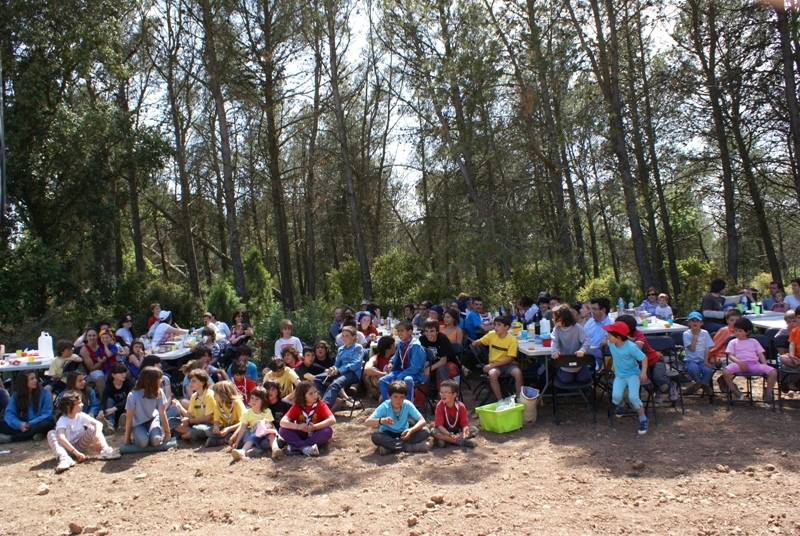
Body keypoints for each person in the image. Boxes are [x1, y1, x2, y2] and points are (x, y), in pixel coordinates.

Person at [47, 391, 120, 473]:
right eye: (79, 403)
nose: (82, 405)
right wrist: (76, 453)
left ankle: (105, 451)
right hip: (67, 448)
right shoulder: (63, 420)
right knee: (51, 433)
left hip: (80, 444)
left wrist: (96, 436)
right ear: (69, 407)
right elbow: (61, 438)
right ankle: (64, 459)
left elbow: (98, 423)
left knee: (93, 428)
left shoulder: (80, 415)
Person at [617, 315, 677, 404]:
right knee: (643, 381)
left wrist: (627, 339)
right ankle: (657, 389)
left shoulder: (638, 334)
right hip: (639, 365)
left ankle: (670, 386)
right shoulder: (617, 337)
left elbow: (638, 347)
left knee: (659, 378)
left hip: (655, 360)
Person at [603, 321, 649, 435]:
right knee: (616, 396)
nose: (607, 336)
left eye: (609, 334)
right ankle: (622, 404)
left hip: (633, 374)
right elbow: (604, 341)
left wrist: (643, 372)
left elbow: (644, 358)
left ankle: (643, 419)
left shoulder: (631, 347)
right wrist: (604, 340)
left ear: (618, 337)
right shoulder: (611, 343)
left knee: (633, 397)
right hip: (620, 375)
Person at [721, 317, 778, 407]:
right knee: (726, 371)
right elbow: (730, 355)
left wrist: (765, 366)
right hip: (739, 364)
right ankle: (733, 389)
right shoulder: (733, 342)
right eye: (735, 330)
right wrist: (738, 362)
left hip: (754, 364)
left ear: (747, 332)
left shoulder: (753, 341)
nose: (737, 333)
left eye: (740, 331)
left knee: (773, 372)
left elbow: (760, 354)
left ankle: (768, 393)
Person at [365, 380, 432, 455]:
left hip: (404, 433)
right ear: (389, 396)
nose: (398, 400)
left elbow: (422, 421)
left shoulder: (407, 404)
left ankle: (390, 448)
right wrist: (382, 420)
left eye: (401, 397)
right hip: (388, 434)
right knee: (375, 436)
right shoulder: (385, 406)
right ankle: (408, 447)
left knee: (425, 431)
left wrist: (411, 431)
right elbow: (367, 422)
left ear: (405, 397)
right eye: (395, 397)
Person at [471, 315, 523, 401]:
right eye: (495, 324)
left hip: (509, 365)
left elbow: (509, 359)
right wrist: (475, 342)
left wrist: (491, 365)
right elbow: (480, 341)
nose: (495, 327)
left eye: (499, 325)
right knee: (492, 374)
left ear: (506, 327)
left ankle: (519, 398)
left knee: (518, 373)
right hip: (495, 366)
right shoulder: (491, 335)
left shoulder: (512, 340)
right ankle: (500, 400)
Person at [279, 381, 335, 456]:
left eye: (315, 392)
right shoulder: (297, 406)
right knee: (282, 430)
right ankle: (305, 448)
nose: (315, 395)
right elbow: (282, 422)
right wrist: (298, 427)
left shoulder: (320, 404)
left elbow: (332, 420)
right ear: (303, 395)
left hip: (315, 433)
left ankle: (297, 447)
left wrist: (315, 427)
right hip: (302, 432)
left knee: (327, 431)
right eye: (311, 393)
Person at [314, 326, 363, 412]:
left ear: (354, 337)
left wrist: (339, 370)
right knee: (317, 379)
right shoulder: (341, 349)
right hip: (340, 372)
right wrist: (333, 368)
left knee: (335, 383)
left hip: (353, 373)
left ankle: (324, 410)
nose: (344, 338)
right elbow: (337, 364)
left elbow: (356, 364)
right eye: (343, 336)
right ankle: (328, 401)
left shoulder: (358, 347)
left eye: (347, 336)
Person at [379, 320, 428, 402]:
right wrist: (391, 362)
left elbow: (415, 368)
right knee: (383, 380)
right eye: (398, 331)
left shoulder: (415, 346)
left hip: (414, 374)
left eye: (402, 331)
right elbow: (396, 356)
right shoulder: (401, 343)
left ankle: (407, 406)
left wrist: (401, 376)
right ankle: (388, 405)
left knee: (407, 379)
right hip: (401, 371)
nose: (399, 333)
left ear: (409, 332)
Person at [123, 366, 171, 449]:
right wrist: (127, 437)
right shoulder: (133, 395)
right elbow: (129, 417)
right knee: (143, 442)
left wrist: (167, 433)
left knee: (156, 441)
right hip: (138, 423)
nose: (161, 381)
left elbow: (162, 413)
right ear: (150, 381)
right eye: (159, 379)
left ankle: (151, 434)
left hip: (152, 419)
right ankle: (138, 435)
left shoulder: (159, 392)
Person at [0, 372, 55, 443]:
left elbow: (47, 413)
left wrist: (30, 424)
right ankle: (35, 433)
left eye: (35, 378)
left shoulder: (44, 393)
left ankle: (12, 438)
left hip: (38, 422)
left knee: (46, 424)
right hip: (23, 425)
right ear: (24, 382)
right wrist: (19, 424)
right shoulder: (16, 396)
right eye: (32, 379)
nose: (36, 380)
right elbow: (9, 414)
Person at [231, 387, 281, 460]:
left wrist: (267, 424)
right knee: (251, 435)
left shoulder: (267, 411)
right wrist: (237, 442)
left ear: (263, 401)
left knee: (271, 434)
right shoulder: (247, 412)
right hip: (254, 436)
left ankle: (275, 449)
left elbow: (270, 425)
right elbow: (242, 428)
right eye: (252, 398)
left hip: (265, 438)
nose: (253, 401)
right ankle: (243, 451)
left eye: (257, 399)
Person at [172, 369, 217, 441]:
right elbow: (191, 415)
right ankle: (192, 435)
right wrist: (179, 407)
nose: (190, 384)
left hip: (209, 425)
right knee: (172, 421)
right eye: (190, 381)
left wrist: (190, 421)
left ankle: (182, 437)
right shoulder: (194, 396)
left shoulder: (209, 395)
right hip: (196, 423)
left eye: (193, 381)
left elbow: (207, 418)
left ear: (202, 382)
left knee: (201, 429)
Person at [550, 304, 591, 383]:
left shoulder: (577, 327)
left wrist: (582, 350)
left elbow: (586, 340)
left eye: (554, 317)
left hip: (578, 361)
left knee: (583, 378)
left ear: (561, 318)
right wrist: (554, 352)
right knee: (566, 379)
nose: (552, 319)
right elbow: (554, 341)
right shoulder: (557, 329)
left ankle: (582, 391)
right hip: (565, 362)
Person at [431, 379, 476, 449]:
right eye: (441, 392)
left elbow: (464, 424)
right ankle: (459, 442)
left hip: (458, 431)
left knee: (473, 429)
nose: (443, 395)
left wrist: (465, 429)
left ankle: (446, 440)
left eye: (446, 392)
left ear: (454, 394)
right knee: (434, 431)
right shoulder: (440, 405)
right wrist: (448, 434)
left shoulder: (460, 406)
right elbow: (439, 426)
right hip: (445, 430)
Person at [419, 319, 460, 390]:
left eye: (432, 331)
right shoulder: (422, 339)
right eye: (426, 331)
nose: (429, 334)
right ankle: (420, 400)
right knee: (420, 370)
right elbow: (425, 358)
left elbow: (443, 361)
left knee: (441, 370)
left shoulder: (442, 339)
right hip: (433, 364)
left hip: (449, 365)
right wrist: (424, 367)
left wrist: (429, 368)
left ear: (437, 331)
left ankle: (443, 397)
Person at [681, 312, 714, 396]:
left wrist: (706, 361)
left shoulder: (705, 333)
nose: (694, 323)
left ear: (701, 323)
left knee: (708, 371)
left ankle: (697, 386)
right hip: (690, 360)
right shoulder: (686, 334)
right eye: (692, 321)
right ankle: (703, 385)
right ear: (689, 323)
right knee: (694, 370)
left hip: (702, 360)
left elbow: (707, 347)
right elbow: (691, 349)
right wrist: (695, 337)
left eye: (697, 321)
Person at [205, 381, 245, 447]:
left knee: (244, 432)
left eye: (215, 394)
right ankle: (227, 439)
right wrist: (216, 427)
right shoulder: (217, 404)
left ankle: (223, 440)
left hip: (238, 428)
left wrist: (229, 429)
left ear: (223, 394)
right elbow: (216, 421)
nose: (213, 395)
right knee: (208, 431)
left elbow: (243, 422)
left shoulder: (237, 403)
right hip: (226, 427)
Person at [80, 327, 115, 397]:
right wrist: (103, 361)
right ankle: (103, 400)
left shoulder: (102, 345)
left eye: (94, 335)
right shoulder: (84, 350)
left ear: (97, 336)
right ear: (86, 337)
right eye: (89, 336)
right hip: (93, 372)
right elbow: (92, 368)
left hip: (107, 368)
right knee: (100, 376)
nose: (92, 337)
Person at [98, 362, 134, 430]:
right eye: (121, 373)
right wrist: (101, 411)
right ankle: (110, 424)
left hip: (125, 409)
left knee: (130, 401)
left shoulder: (130, 383)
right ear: (113, 375)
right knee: (109, 400)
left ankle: (124, 423)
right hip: (113, 412)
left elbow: (130, 399)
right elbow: (103, 400)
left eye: (124, 372)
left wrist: (115, 408)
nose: (124, 375)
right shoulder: (109, 386)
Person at [584, 297, 612, 368]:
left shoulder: (610, 324)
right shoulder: (590, 322)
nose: (591, 311)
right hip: (584, 351)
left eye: (595, 309)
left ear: (603, 310)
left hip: (598, 355)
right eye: (591, 309)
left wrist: (607, 338)